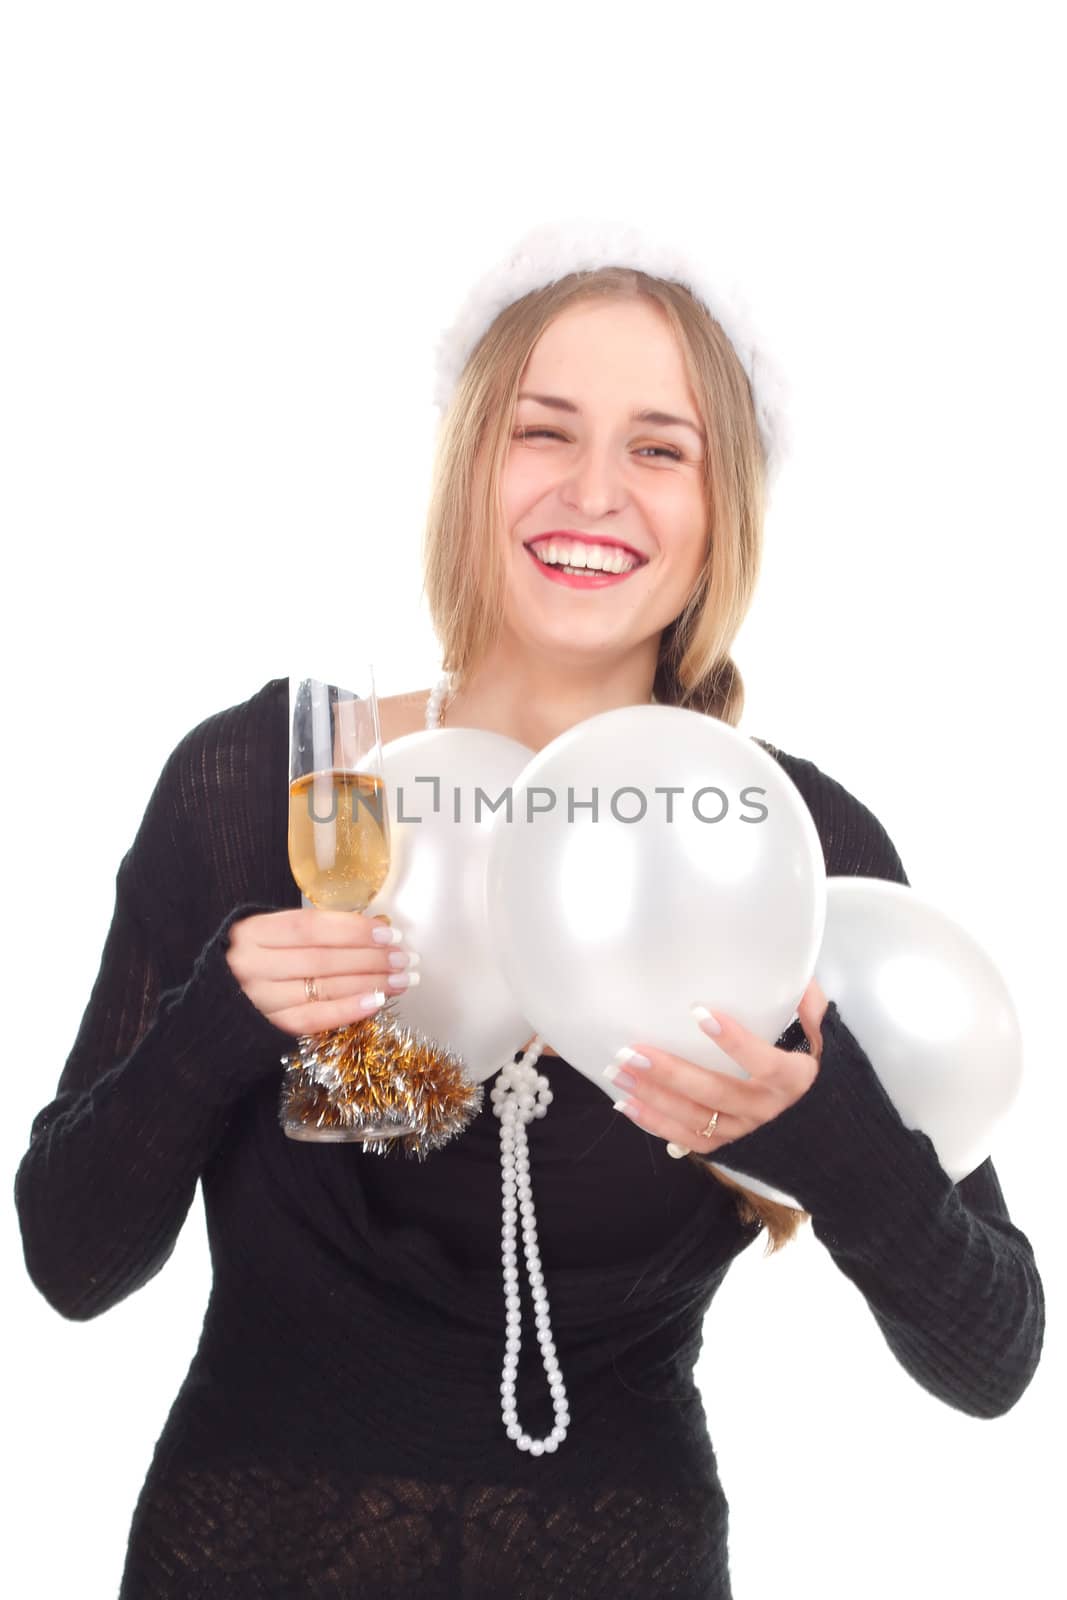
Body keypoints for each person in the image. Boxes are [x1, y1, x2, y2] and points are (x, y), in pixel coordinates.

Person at [15, 219, 1045, 1599]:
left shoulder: (780, 847)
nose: (596, 491)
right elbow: (71, 1259)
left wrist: (825, 1135)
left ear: (720, 507)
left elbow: (993, 1357)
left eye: (660, 448)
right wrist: (224, 1017)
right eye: (543, 431)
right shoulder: (276, 781)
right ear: (471, 465)